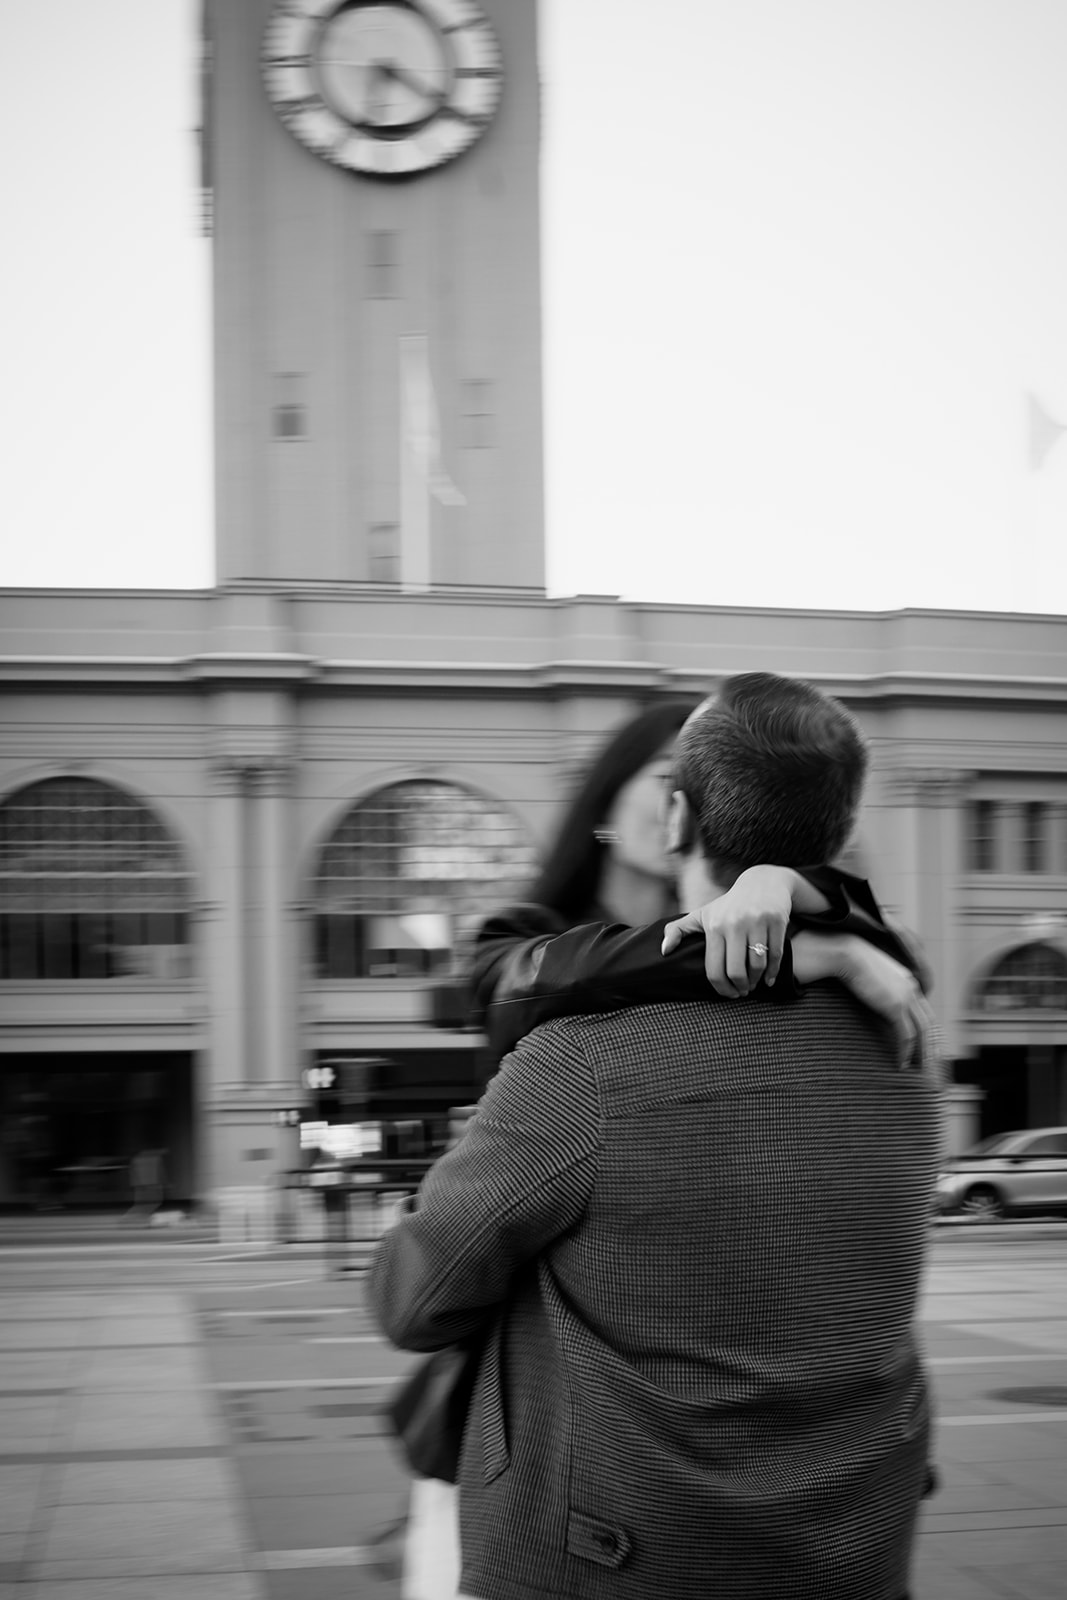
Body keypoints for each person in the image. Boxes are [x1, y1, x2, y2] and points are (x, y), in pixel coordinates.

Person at [373, 677, 938, 1600]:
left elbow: (412, 1294)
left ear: (681, 812)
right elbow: (513, 981)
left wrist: (775, 894)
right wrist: (799, 936)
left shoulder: (582, 1064)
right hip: (838, 1538)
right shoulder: (900, 1037)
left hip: (614, 1534)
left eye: (672, 776)